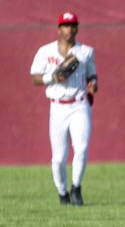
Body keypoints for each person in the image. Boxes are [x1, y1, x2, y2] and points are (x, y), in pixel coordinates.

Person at [30, 12, 98, 206]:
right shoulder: (45, 51)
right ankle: (62, 193)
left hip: (79, 104)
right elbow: (35, 77)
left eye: (72, 25)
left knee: (82, 148)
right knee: (59, 158)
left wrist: (93, 83)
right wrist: (52, 77)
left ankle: (76, 188)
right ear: (59, 29)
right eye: (65, 25)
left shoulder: (86, 51)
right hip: (58, 107)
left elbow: (92, 75)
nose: (69, 29)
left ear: (77, 28)